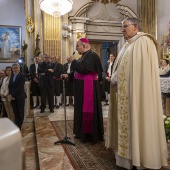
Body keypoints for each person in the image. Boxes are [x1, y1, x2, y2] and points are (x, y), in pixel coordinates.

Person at [105, 17, 168, 169]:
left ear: (135, 26)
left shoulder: (144, 42)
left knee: (138, 121)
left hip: (138, 94)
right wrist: (114, 79)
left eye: (125, 26)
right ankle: (127, 156)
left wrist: (115, 79)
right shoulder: (127, 45)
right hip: (125, 94)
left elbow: (138, 70)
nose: (123, 29)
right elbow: (121, 68)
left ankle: (141, 157)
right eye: (122, 27)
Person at [64, 38, 104, 144]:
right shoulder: (83, 56)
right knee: (80, 109)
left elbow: (84, 70)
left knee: (88, 110)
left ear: (84, 46)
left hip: (88, 88)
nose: (76, 49)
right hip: (81, 89)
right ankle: (81, 133)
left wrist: (73, 61)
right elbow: (79, 71)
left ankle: (89, 135)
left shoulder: (92, 55)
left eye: (78, 46)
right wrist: (68, 75)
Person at [8, 63, 26, 129]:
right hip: (13, 98)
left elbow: (20, 87)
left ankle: (19, 126)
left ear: (19, 68)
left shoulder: (22, 76)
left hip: (20, 97)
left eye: (16, 67)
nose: (15, 69)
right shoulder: (12, 76)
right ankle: (16, 124)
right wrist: (10, 94)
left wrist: (12, 95)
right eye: (13, 68)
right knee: (15, 112)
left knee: (20, 112)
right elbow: (10, 86)